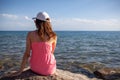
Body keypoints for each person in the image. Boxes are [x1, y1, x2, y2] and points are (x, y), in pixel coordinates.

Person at [14, 12, 57, 76]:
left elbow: (27, 54)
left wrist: (20, 70)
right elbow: (51, 52)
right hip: (49, 69)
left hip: (35, 68)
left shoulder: (30, 34)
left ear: (36, 22)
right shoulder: (53, 36)